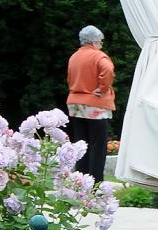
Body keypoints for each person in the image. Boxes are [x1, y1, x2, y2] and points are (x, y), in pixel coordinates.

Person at [67, 25, 115, 182]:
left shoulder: (74, 57)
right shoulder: (98, 56)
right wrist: (102, 89)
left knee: (82, 144)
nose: (101, 45)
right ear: (94, 41)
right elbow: (108, 70)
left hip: (75, 105)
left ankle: (81, 181)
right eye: (101, 41)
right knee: (97, 146)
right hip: (95, 106)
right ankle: (95, 183)